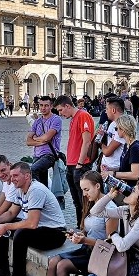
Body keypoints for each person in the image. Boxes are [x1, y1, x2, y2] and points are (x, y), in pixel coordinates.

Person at [19, 171, 119, 276]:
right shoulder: (92, 203)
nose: (84, 194)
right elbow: (89, 232)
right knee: (53, 260)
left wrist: (84, 239)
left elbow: (109, 244)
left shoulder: (111, 209)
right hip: (87, 249)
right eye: (82, 190)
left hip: (100, 257)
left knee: (63, 265)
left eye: (87, 190)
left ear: (98, 186)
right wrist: (79, 235)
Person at [0, 161, 67, 276]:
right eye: (12, 175)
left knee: (21, 234)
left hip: (56, 233)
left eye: (15, 176)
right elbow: (11, 213)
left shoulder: (36, 190)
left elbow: (32, 223)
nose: (12, 179)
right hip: (40, 229)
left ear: (27, 176)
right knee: (2, 227)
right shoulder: (19, 188)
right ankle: (2, 269)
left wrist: (6, 226)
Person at [56, 95, 94, 225]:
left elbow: (87, 141)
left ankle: (87, 228)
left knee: (84, 200)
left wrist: (79, 164)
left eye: (61, 110)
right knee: (77, 201)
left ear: (67, 106)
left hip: (80, 165)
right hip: (71, 164)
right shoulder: (73, 119)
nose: (60, 114)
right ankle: (80, 226)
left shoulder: (83, 115)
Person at [100, 114, 139, 187]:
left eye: (117, 128)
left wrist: (112, 173)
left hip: (134, 189)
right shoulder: (127, 145)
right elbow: (125, 168)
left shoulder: (135, 149)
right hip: (127, 185)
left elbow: (135, 175)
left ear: (123, 130)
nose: (116, 131)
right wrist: (109, 169)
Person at [27, 96, 62, 186]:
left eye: (46, 105)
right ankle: (45, 196)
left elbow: (47, 137)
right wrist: (41, 141)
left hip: (49, 154)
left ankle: (39, 193)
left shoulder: (56, 119)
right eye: (41, 105)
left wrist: (35, 138)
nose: (43, 108)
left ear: (51, 106)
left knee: (33, 170)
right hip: (37, 155)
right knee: (42, 181)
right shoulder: (37, 122)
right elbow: (28, 141)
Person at [98, 97, 127, 177]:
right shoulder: (112, 124)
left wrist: (99, 141)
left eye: (107, 109)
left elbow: (107, 152)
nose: (105, 111)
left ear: (113, 110)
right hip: (108, 167)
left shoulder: (121, 126)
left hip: (115, 169)